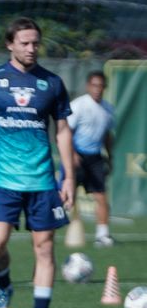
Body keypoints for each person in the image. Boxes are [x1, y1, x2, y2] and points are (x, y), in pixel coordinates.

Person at [0, 17, 75, 308]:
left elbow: (63, 132)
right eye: (24, 43)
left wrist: (67, 177)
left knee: (44, 248)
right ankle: (5, 288)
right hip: (3, 180)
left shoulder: (52, 83)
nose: (31, 48)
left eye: (35, 43)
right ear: (10, 44)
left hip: (42, 181)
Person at [66, 71, 115, 247]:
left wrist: (110, 156)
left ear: (105, 88)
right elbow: (66, 131)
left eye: (101, 86)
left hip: (95, 157)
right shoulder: (79, 105)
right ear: (88, 86)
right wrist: (71, 154)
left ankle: (102, 235)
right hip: (76, 154)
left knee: (101, 196)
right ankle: (46, 229)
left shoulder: (108, 109)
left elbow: (107, 136)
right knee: (65, 194)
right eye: (94, 85)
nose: (97, 89)